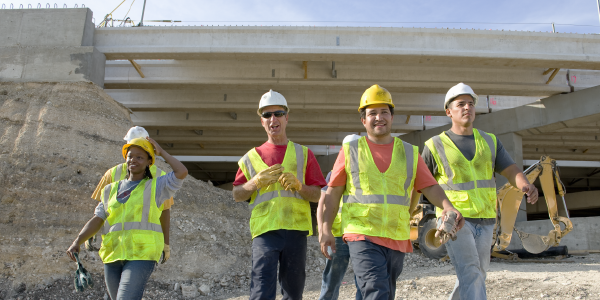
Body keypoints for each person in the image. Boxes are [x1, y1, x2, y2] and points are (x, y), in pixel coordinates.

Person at [319, 84, 464, 300]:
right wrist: (325, 229)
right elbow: (332, 195)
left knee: (383, 293)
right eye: (372, 113)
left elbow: (430, 186)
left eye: (384, 112)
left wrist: (448, 206)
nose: (379, 117)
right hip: (362, 234)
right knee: (376, 291)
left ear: (392, 116)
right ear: (363, 120)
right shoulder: (351, 151)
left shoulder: (408, 153)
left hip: (395, 237)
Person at [421, 82, 539, 300]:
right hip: (456, 221)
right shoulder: (434, 145)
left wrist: (525, 185)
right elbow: (423, 183)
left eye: (470, 103)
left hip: (486, 220)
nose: (467, 107)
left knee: (477, 274)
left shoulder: (490, 141)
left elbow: (510, 169)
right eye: (460, 104)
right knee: (471, 273)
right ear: (449, 112)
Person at [232, 89, 327, 300]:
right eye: (267, 115)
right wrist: (255, 183)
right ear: (261, 121)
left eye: (278, 113)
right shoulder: (250, 158)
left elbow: (317, 195)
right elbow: (237, 194)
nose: (273, 119)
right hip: (265, 232)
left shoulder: (304, 154)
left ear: (287, 117)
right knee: (261, 291)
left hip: (296, 231)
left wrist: (299, 186)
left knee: (293, 293)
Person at [66, 137, 188, 300]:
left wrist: (161, 152)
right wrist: (78, 241)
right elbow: (98, 218)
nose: (134, 160)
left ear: (148, 162)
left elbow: (182, 172)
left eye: (140, 157)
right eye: (131, 156)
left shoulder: (157, 186)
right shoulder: (110, 189)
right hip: (113, 254)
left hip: (142, 254)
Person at [88, 126, 175, 264]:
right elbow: (101, 209)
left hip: (141, 248)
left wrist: (165, 243)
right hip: (118, 245)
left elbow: (165, 211)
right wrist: (90, 232)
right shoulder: (113, 173)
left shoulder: (159, 177)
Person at [317, 135, 362, 300]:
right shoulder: (333, 174)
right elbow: (322, 203)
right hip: (337, 235)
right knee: (331, 281)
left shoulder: (365, 174)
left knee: (363, 282)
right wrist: (323, 230)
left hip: (359, 233)